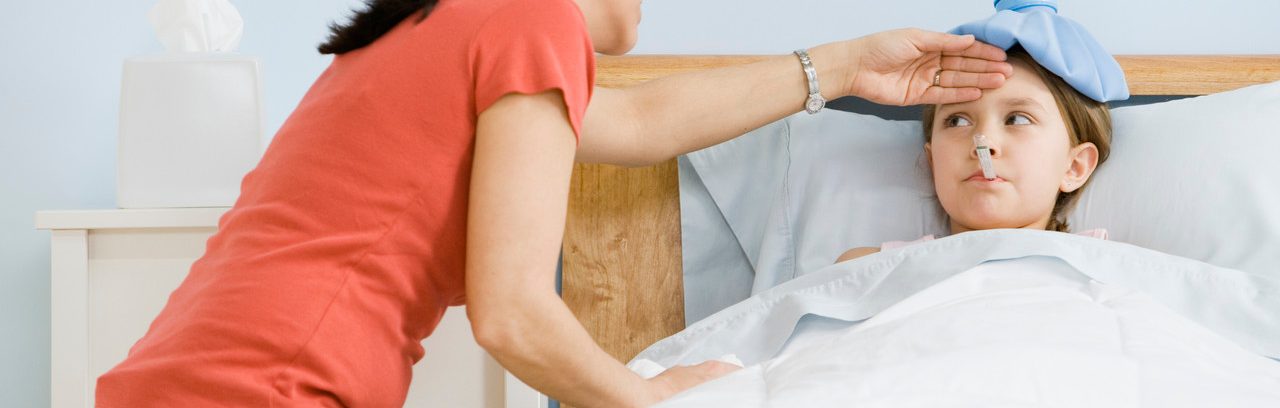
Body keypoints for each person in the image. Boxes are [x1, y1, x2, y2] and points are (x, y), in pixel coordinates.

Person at [95, 0, 1012, 406]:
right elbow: (514, 314)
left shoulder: (447, 22)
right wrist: (649, 398)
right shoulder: (524, 17)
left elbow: (638, 119)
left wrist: (846, 64)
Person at [837, 45, 1112, 263]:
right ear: (934, 164)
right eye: (957, 121)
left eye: (1017, 119)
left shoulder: (1105, 266)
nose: (984, 143)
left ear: (1074, 167)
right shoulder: (873, 268)